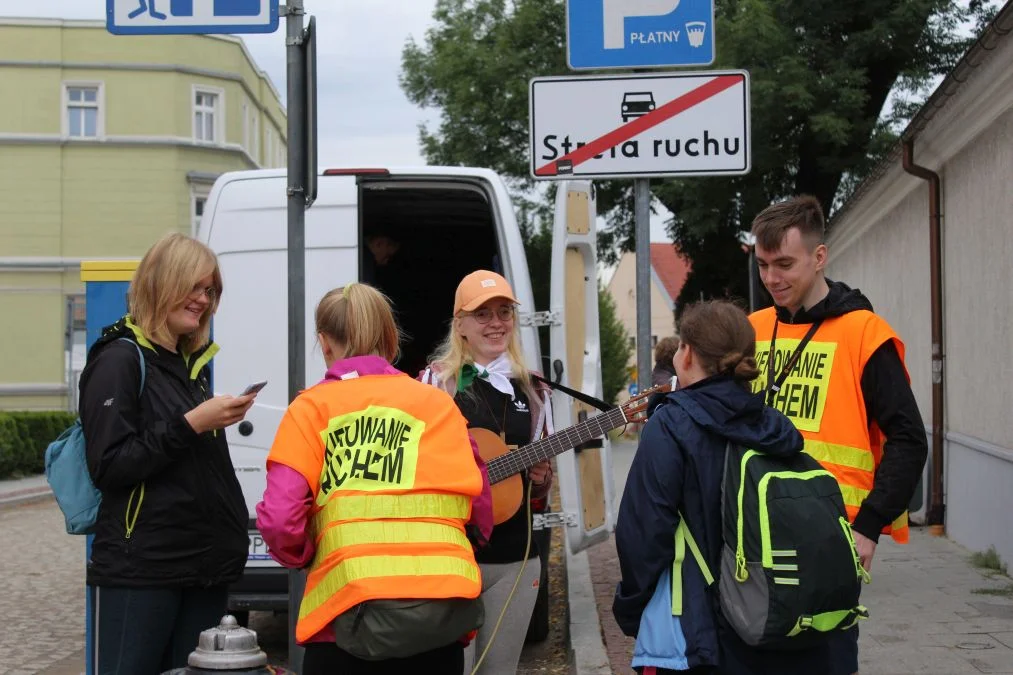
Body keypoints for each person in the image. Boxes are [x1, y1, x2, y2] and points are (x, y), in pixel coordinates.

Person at [256, 283, 492, 675]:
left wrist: (311, 554)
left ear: (324, 342)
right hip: (439, 622)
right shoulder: (437, 405)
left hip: (346, 626)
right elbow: (480, 511)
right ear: (391, 337)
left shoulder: (311, 409)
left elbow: (281, 519)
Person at [749, 195, 928, 675]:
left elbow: (910, 439)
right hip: (749, 537)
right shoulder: (751, 331)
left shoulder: (862, 333)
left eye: (784, 264)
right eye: (763, 265)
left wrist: (869, 526)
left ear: (819, 256)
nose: (771, 279)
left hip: (827, 544)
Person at [613, 300, 835, 675]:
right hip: (774, 617)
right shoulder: (774, 424)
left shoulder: (670, 425)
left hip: (701, 634)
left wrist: (631, 608)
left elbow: (643, 535)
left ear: (687, 355)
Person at [78, 233, 254, 675]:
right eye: (193, 286)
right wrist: (193, 423)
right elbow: (111, 464)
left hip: (200, 569)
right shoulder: (119, 358)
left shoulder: (185, 366)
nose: (203, 299)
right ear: (161, 283)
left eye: (210, 290)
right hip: (143, 572)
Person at [421, 269, 553, 675]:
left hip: (516, 557)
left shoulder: (532, 388)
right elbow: (419, 467)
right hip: (451, 556)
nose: (496, 323)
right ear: (459, 323)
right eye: (483, 314)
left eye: (504, 312)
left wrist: (541, 476)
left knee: (500, 670)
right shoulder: (434, 383)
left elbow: (543, 487)